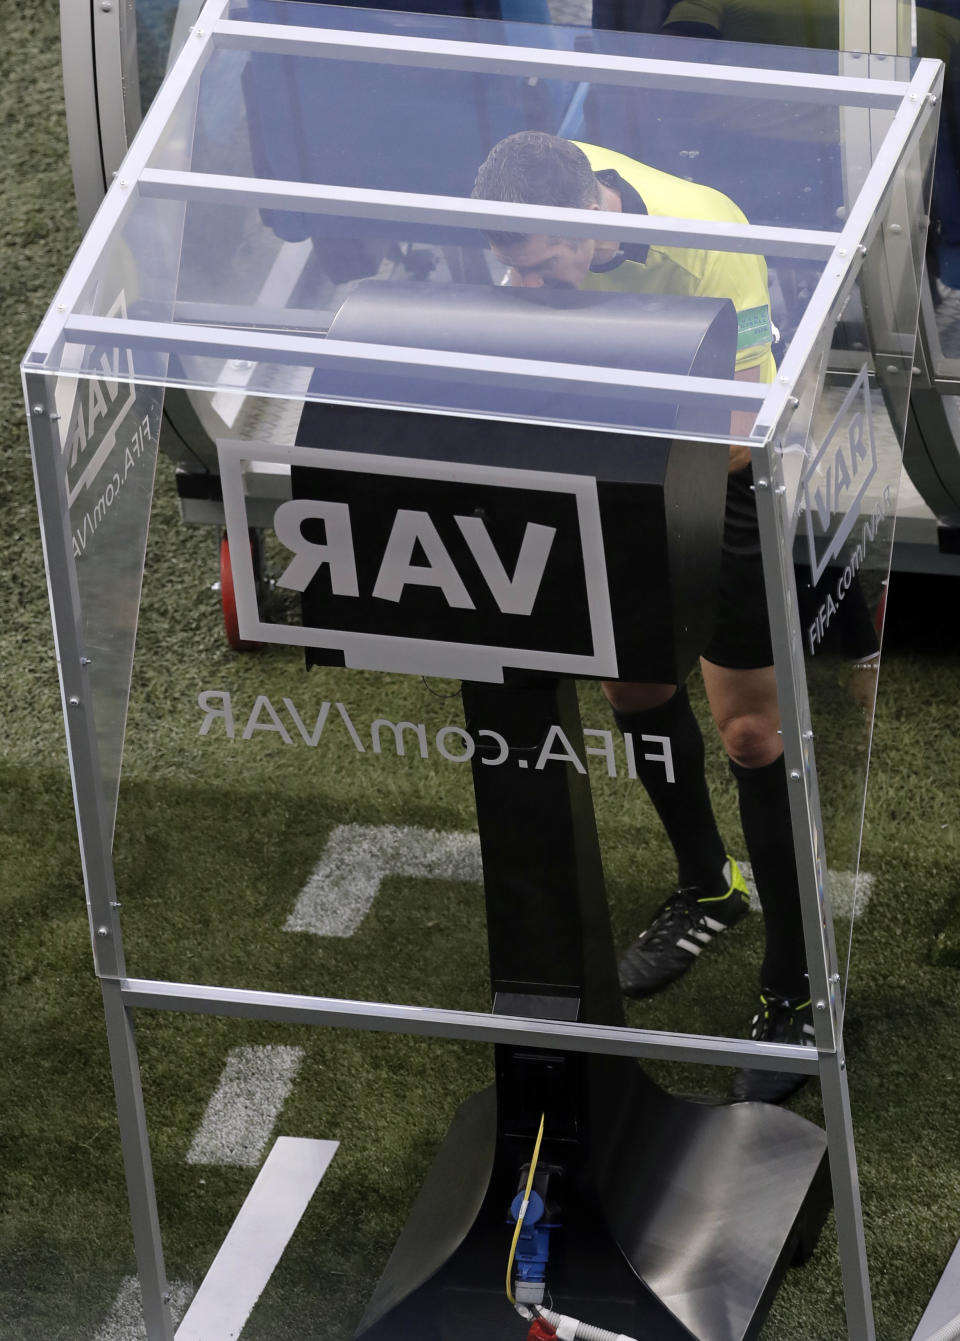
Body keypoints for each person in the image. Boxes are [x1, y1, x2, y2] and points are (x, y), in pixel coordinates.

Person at [472, 131, 813, 1103]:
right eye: (512, 269)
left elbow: (741, 440)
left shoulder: (707, 240)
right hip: (618, 454)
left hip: (724, 467)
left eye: (539, 268)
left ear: (590, 222)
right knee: (634, 683)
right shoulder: (524, 195)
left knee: (751, 732)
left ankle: (793, 992)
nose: (526, 286)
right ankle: (710, 888)